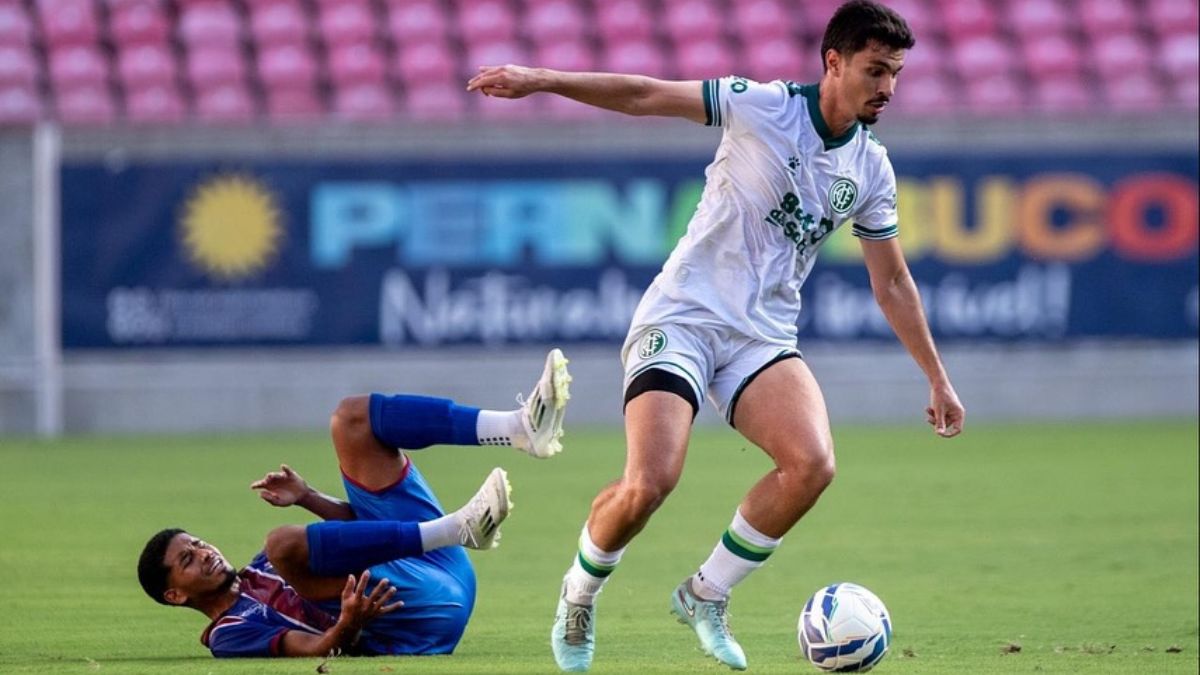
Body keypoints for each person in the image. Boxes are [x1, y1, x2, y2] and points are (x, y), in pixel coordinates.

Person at [466, 2, 965, 671]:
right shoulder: (762, 106)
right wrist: (542, 78)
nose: (889, 88)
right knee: (650, 483)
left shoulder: (871, 169)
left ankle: (705, 593)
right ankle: (579, 595)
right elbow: (645, 93)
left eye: (897, 74)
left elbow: (894, 281)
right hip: (682, 317)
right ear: (834, 62)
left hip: (761, 338)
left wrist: (936, 375)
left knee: (812, 464)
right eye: (876, 70)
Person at [136, 349, 571, 658]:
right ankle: (459, 528)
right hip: (414, 617)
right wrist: (349, 622)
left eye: (198, 544)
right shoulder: (228, 634)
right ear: (175, 594)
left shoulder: (260, 568)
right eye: (188, 560)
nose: (205, 554)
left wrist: (308, 497)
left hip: (437, 563)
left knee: (351, 419)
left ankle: (518, 428)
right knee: (281, 543)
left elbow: (360, 534)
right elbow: (313, 650)